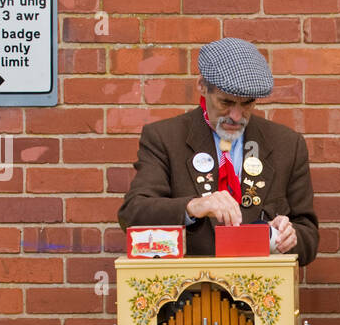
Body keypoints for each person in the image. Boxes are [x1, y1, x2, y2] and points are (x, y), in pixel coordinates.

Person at [118, 37, 319, 265]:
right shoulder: (164, 138)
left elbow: (309, 237)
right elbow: (132, 214)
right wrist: (193, 207)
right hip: (186, 293)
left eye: (247, 104)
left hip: (262, 292)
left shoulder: (287, 144)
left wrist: (290, 237)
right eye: (225, 102)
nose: (235, 116)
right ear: (202, 86)